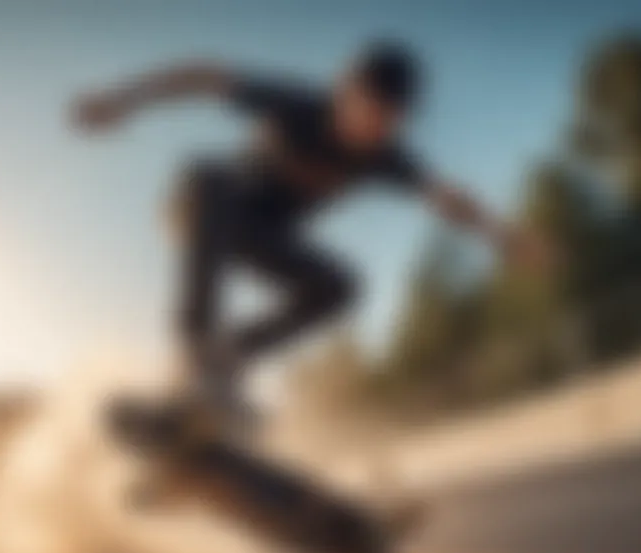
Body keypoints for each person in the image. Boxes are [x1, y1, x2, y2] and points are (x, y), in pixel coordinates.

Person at [72, 40, 540, 433]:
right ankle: (195, 351)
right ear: (344, 92)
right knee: (211, 175)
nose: (376, 129)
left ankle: (228, 360)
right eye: (370, 111)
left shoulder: (382, 156)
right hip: (200, 209)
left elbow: (444, 195)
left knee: (343, 286)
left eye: (391, 121)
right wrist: (123, 99)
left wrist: (503, 237)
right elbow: (203, 76)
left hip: (262, 238)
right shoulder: (297, 105)